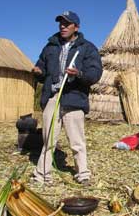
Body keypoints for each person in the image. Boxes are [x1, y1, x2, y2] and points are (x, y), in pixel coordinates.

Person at [31, 11, 102, 184]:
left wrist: (79, 74)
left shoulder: (86, 47)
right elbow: (42, 69)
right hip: (53, 97)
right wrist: (38, 73)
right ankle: (42, 175)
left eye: (67, 24)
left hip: (74, 97)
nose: (62, 26)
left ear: (76, 27)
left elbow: (95, 73)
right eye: (60, 23)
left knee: (77, 141)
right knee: (48, 140)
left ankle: (83, 174)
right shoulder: (51, 46)